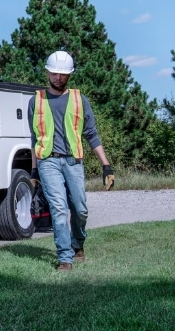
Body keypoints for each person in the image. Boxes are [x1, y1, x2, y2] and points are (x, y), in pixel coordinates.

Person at [28, 51, 115, 272]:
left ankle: (78, 244)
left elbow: (92, 134)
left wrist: (106, 165)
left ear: (69, 75)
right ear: (47, 72)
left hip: (73, 161)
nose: (58, 77)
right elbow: (34, 138)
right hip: (48, 161)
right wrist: (34, 171)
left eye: (63, 74)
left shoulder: (79, 99)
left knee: (80, 208)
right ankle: (65, 257)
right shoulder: (35, 101)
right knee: (59, 208)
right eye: (54, 73)